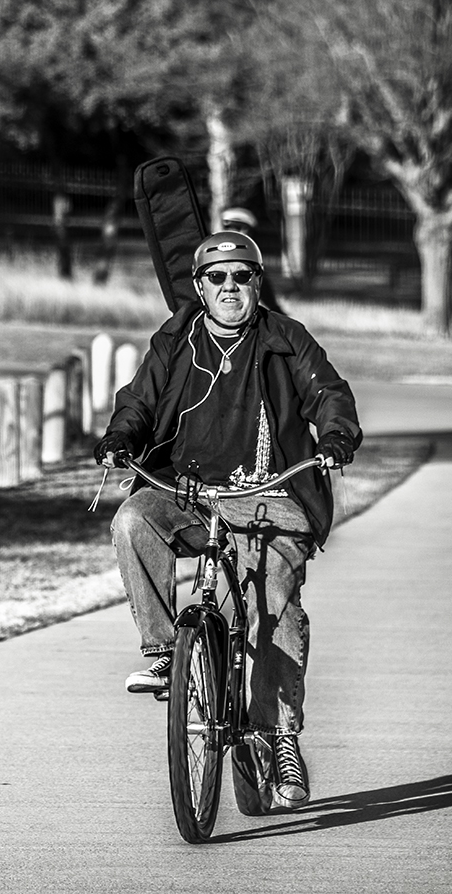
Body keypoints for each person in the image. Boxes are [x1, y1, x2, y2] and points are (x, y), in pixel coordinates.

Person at [94, 230, 362, 811]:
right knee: (133, 520)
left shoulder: (285, 339)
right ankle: (168, 654)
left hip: (269, 495)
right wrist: (120, 439)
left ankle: (280, 738)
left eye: (243, 276)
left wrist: (337, 436)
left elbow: (328, 394)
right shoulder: (176, 341)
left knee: (275, 612)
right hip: (187, 491)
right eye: (218, 278)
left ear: (258, 283)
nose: (231, 287)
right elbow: (138, 401)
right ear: (200, 286)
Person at [221, 206, 284, 314]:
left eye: (237, 228)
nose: (232, 232)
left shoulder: (252, 263)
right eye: (228, 228)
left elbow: (268, 298)